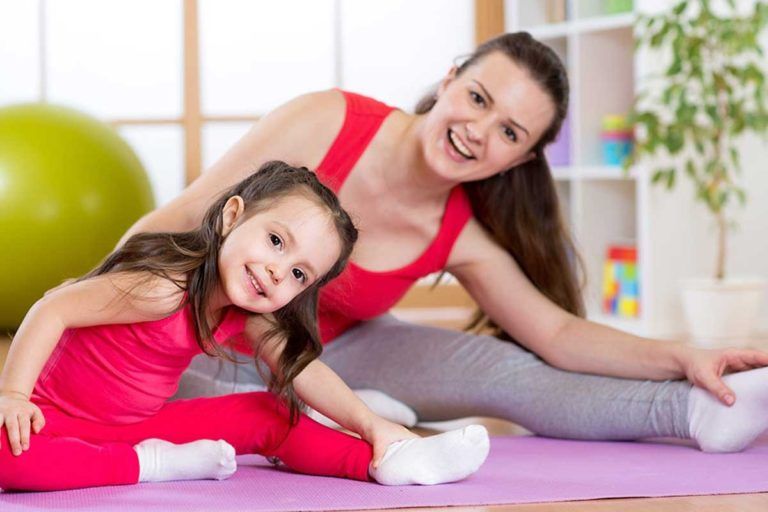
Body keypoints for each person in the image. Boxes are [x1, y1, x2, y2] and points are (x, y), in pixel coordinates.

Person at [123, 32, 768, 454]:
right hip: (216, 343)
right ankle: (335, 413)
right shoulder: (327, 120)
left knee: (513, 372)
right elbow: (179, 218)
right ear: (451, 77)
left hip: (341, 349)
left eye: (509, 133)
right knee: (177, 408)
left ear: (521, 158)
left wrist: (684, 357)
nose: (478, 131)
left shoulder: (463, 235)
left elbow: (558, 334)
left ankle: (698, 414)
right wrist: (95, 308)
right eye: (478, 98)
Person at [0, 162, 490, 492]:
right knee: (9, 460)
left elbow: (303, 370)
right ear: (232, 217)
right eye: (276, 241)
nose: (278, 271)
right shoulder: (163, 288)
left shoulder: (247, 311)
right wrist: (15, 396)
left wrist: (370, 425)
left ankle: (391, 462)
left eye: (298, 274)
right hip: (49, 421)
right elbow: (52, 309)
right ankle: (155, 465)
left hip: (134, 426)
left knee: (267, 412)